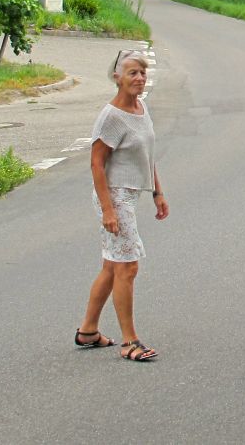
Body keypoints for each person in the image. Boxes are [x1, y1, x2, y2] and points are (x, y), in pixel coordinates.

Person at [75, 49, 168, 362]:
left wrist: (157, 192)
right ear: (117, 78)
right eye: (132, 73)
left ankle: (88, 330)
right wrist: (108, 210)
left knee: (112, 266)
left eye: (142, 72)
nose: (139, 78)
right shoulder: (111, 117)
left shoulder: (141, 107)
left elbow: (148, 155)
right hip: (114, 196)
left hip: (132, 194)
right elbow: (96, 164)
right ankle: (130, 342)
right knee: (128, 266)